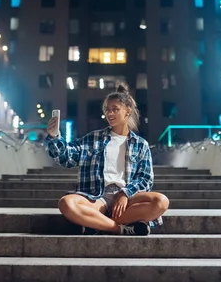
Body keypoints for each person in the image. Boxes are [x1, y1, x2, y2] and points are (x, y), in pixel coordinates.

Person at [44, 83, 169, 236]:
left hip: (127, 200)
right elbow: (67, 157)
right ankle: (120, 228)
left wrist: (125, 194)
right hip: (97, 197)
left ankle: (97, 223)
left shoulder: (141, 144)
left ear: (127, 112)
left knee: (161, 201)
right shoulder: (94, 138)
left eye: (115, 109)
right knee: (66, 203)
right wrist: (54, 137)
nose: (110, 113)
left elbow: (146, 179)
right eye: (107, 109)